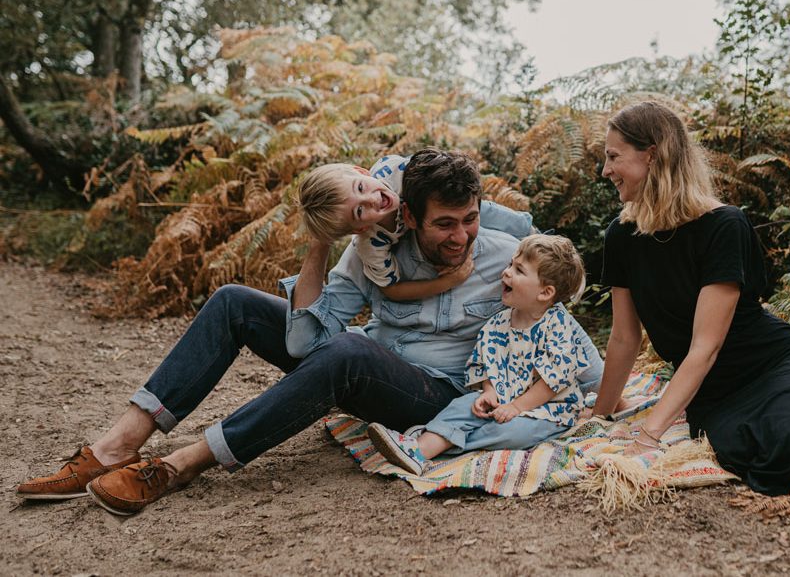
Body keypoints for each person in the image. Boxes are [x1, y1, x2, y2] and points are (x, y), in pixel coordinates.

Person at [16, 148, 605, 514]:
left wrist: (576, 398)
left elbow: (561, 324)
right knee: (232, 302)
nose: (461, 237)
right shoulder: (370, 253)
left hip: (435, 391)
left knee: (350, 351)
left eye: (470, 220)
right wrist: (322, 242)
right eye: (444, 225)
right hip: (362, 361)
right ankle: (114, 447)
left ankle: (180, 465)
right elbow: (301, 342)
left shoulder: (506, 254)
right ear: (407, 217)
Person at [588, 101, 790, 496]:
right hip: (713, 394)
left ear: (652, 155)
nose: (605, 170)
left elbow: (706, 345)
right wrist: (599, 417)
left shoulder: (723, 225)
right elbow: (623, 338)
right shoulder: (621, 236)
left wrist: (650, 435)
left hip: (773, 364)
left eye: (613, 157)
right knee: (750, 454)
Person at [367, 234, 592, 475]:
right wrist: (489, 391)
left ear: (545, 292)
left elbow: (552, 382)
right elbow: (488, 362)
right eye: (509, 264)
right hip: (503, 400)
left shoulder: (557, 326)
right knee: (463, 406)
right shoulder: (498, 323)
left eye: (518, 270)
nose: (506, 273)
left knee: (513, 434)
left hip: (548, 409)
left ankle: (437, 442)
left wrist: (516, 407)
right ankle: (416, 448)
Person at [298, 154, 480, 301]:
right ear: (360, 229)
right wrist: (447, 282)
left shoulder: (396, 170)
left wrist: (466, 249)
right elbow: (392, 290)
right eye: (359, 211)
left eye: (360, 187)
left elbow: (458, 185)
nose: (372, 199)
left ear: (361, 171)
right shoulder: (371, 245)